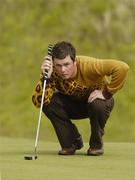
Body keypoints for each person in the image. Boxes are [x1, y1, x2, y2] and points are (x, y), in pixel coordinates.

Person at [32, 41, 129, 156]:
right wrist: (45, 78)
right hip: (72, 103)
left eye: (66, 64)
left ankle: (96, 145)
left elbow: (122, 67)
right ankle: (71, 142)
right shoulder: (51, 71)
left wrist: (107, 93)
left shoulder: (90, 65)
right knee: (49, 103)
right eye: (58, 65)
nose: (62, 70)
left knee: (98, 104)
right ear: (53, 63)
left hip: (96, 103)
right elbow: (39, 102)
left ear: (75, 62)